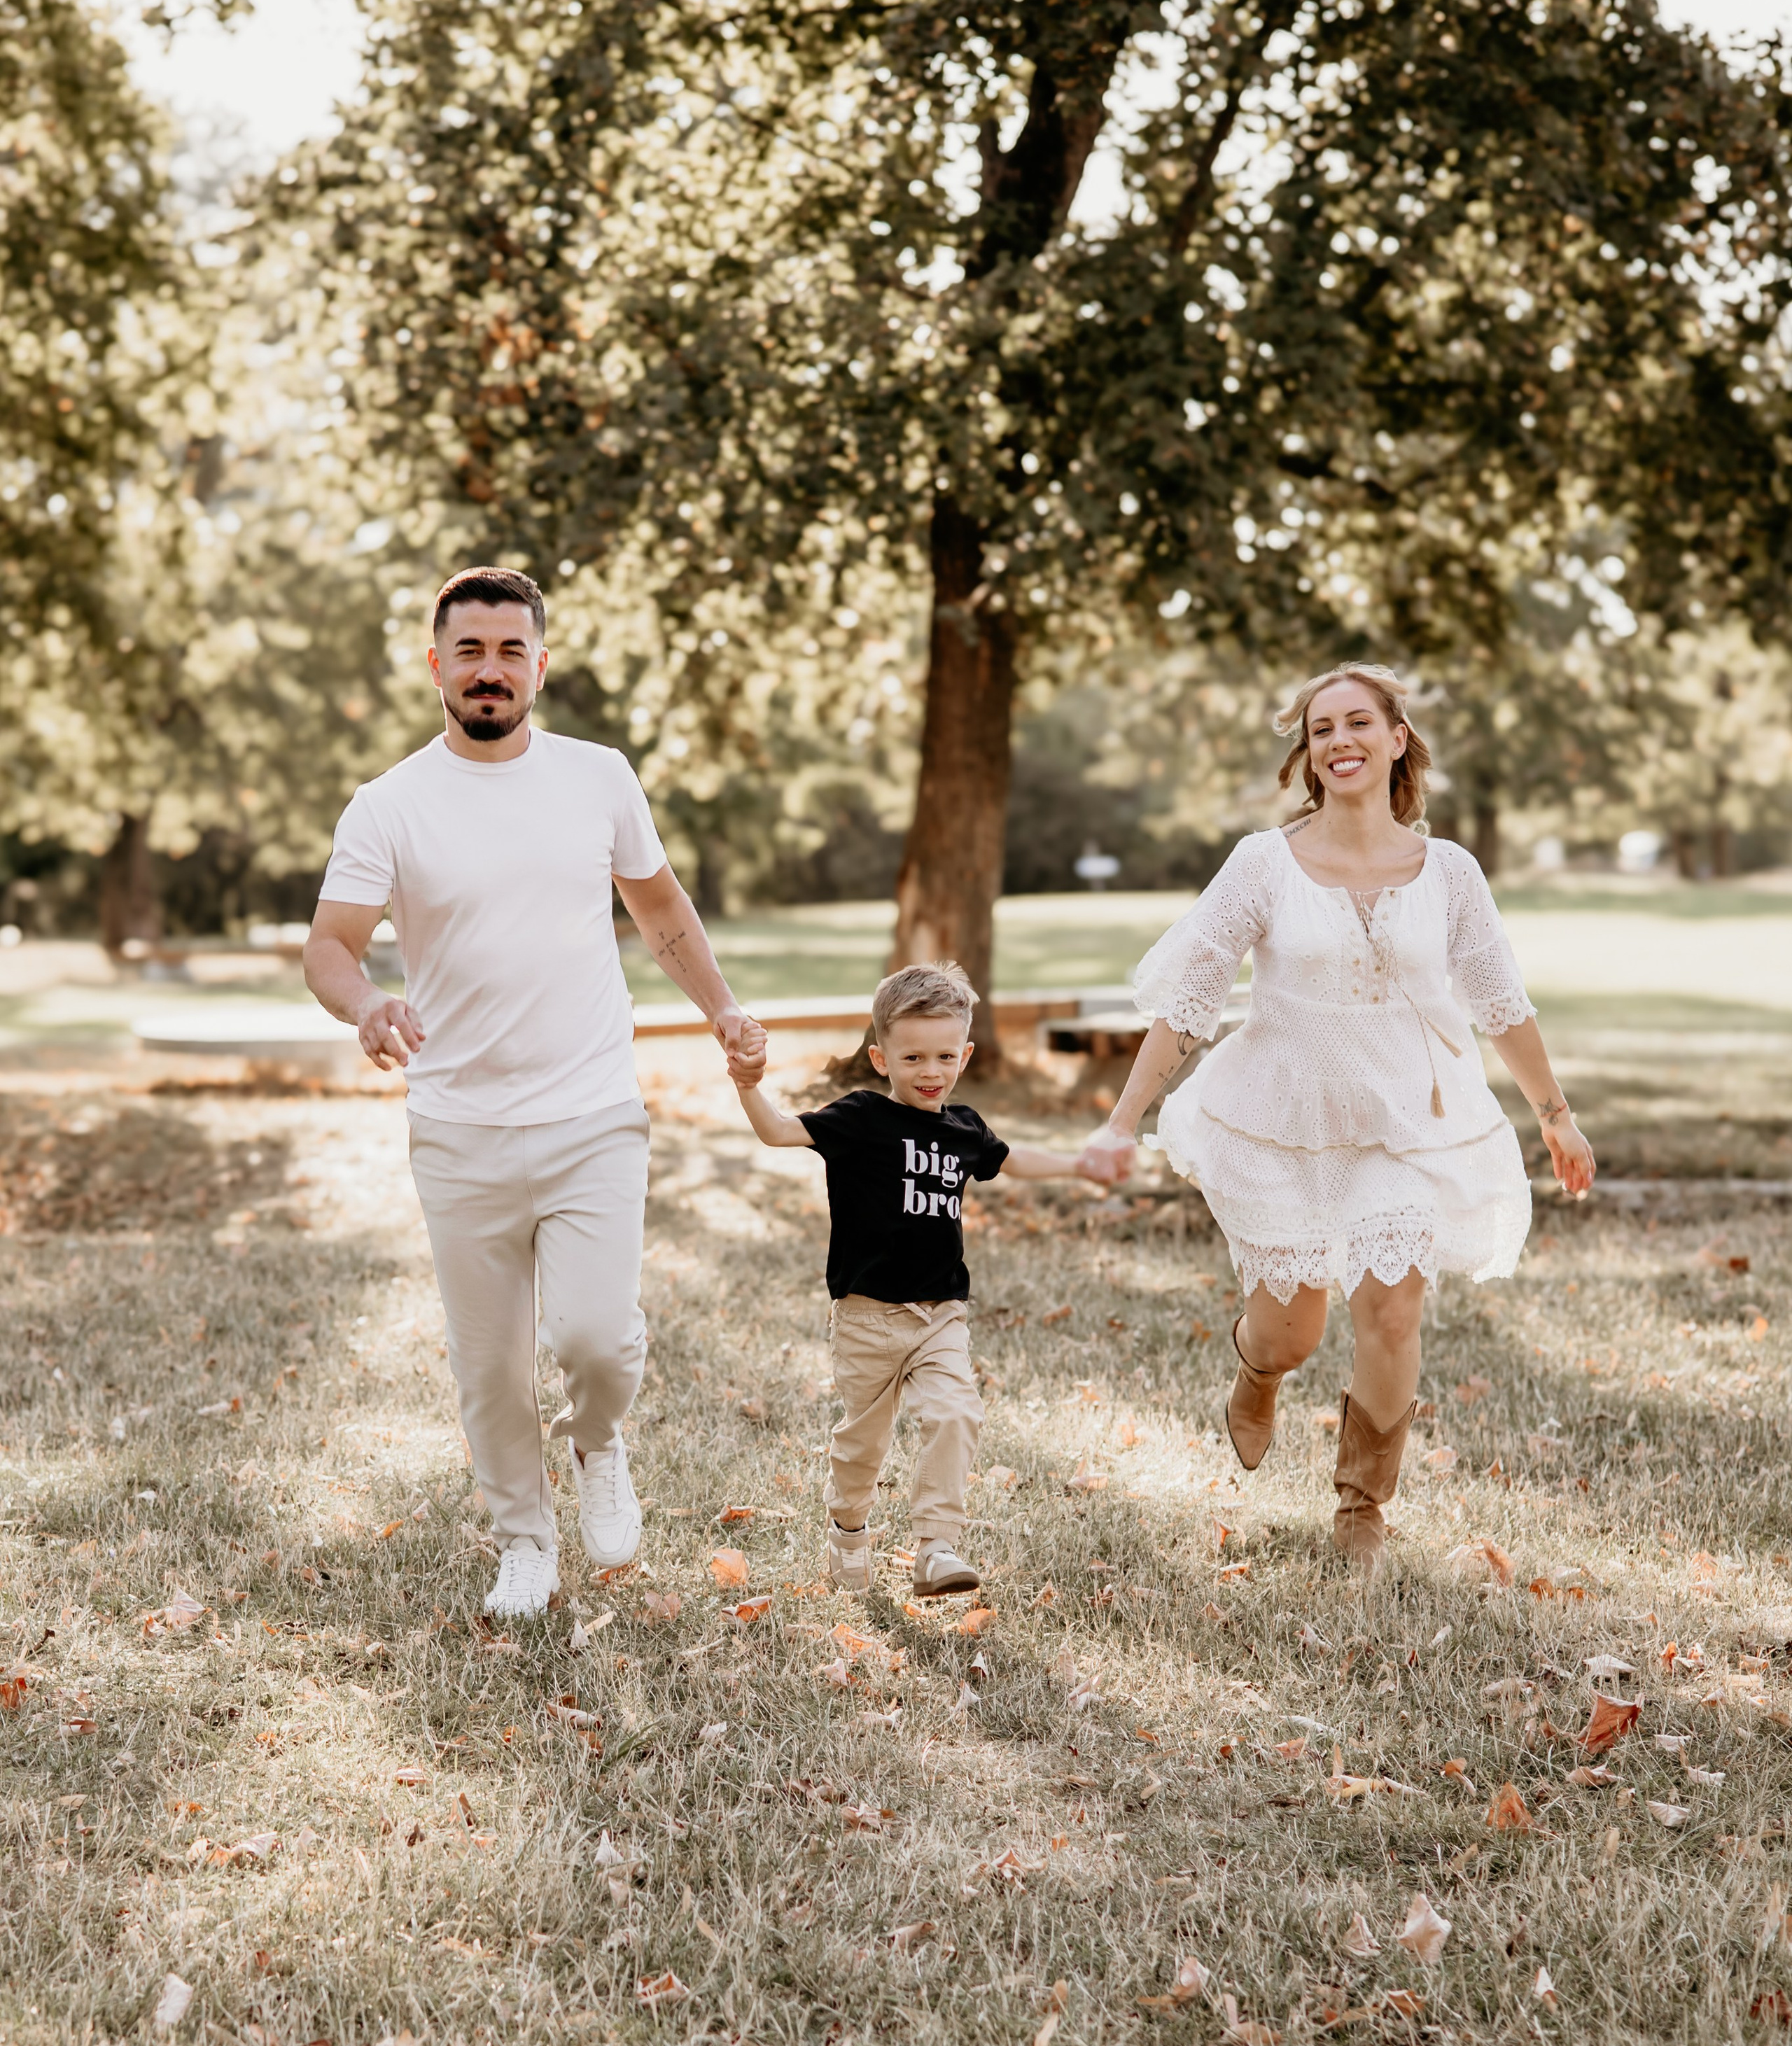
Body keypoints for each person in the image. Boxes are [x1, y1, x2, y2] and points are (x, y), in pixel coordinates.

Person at [303, 566, 766, 1618]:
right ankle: (525, 1542)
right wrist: (367, 1005)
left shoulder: (599, 777)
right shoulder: (390, 804)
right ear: (437, 667)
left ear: (541, 666)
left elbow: (660, 912)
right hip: (460, 1128)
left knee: (597, 1339)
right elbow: (330, 946)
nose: (490, 670)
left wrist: (722, 1009)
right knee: (492, 1368)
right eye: (469, 651)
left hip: (593, 1113)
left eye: (511, 651)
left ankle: (600, 1439)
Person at [1081, 666, 1595, 1571]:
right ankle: (1258, 1371)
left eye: (1359, 722)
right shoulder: (1263, 864)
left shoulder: (1451, 873)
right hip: (1287, 1121)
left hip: (1406, 1122)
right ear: (1308, 754)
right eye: (1322, 729)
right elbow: (1192, 1001)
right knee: (1294, 1331)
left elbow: (1500, 1001)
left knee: (1393, 1306)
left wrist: (1554, 1115)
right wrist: (1123, 1121)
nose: (1340, 740)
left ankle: (1362, 1507)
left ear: (1398, 739)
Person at [728, 962, 1108, 1597]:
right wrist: (748, 1084)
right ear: (881, 1058)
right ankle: (849, 1530)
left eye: (943, 1056)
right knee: (862, 1448)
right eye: (912, 1058)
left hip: (940, 1315)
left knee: (956, 1411)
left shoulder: (964, 1128)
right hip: (867, 1317)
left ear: (966, 1052)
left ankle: (937, 1548)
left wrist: (1082, 1165)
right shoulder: (860, 1119)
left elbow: (1013, 1160)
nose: (930, 1072)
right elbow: (776, 1131)